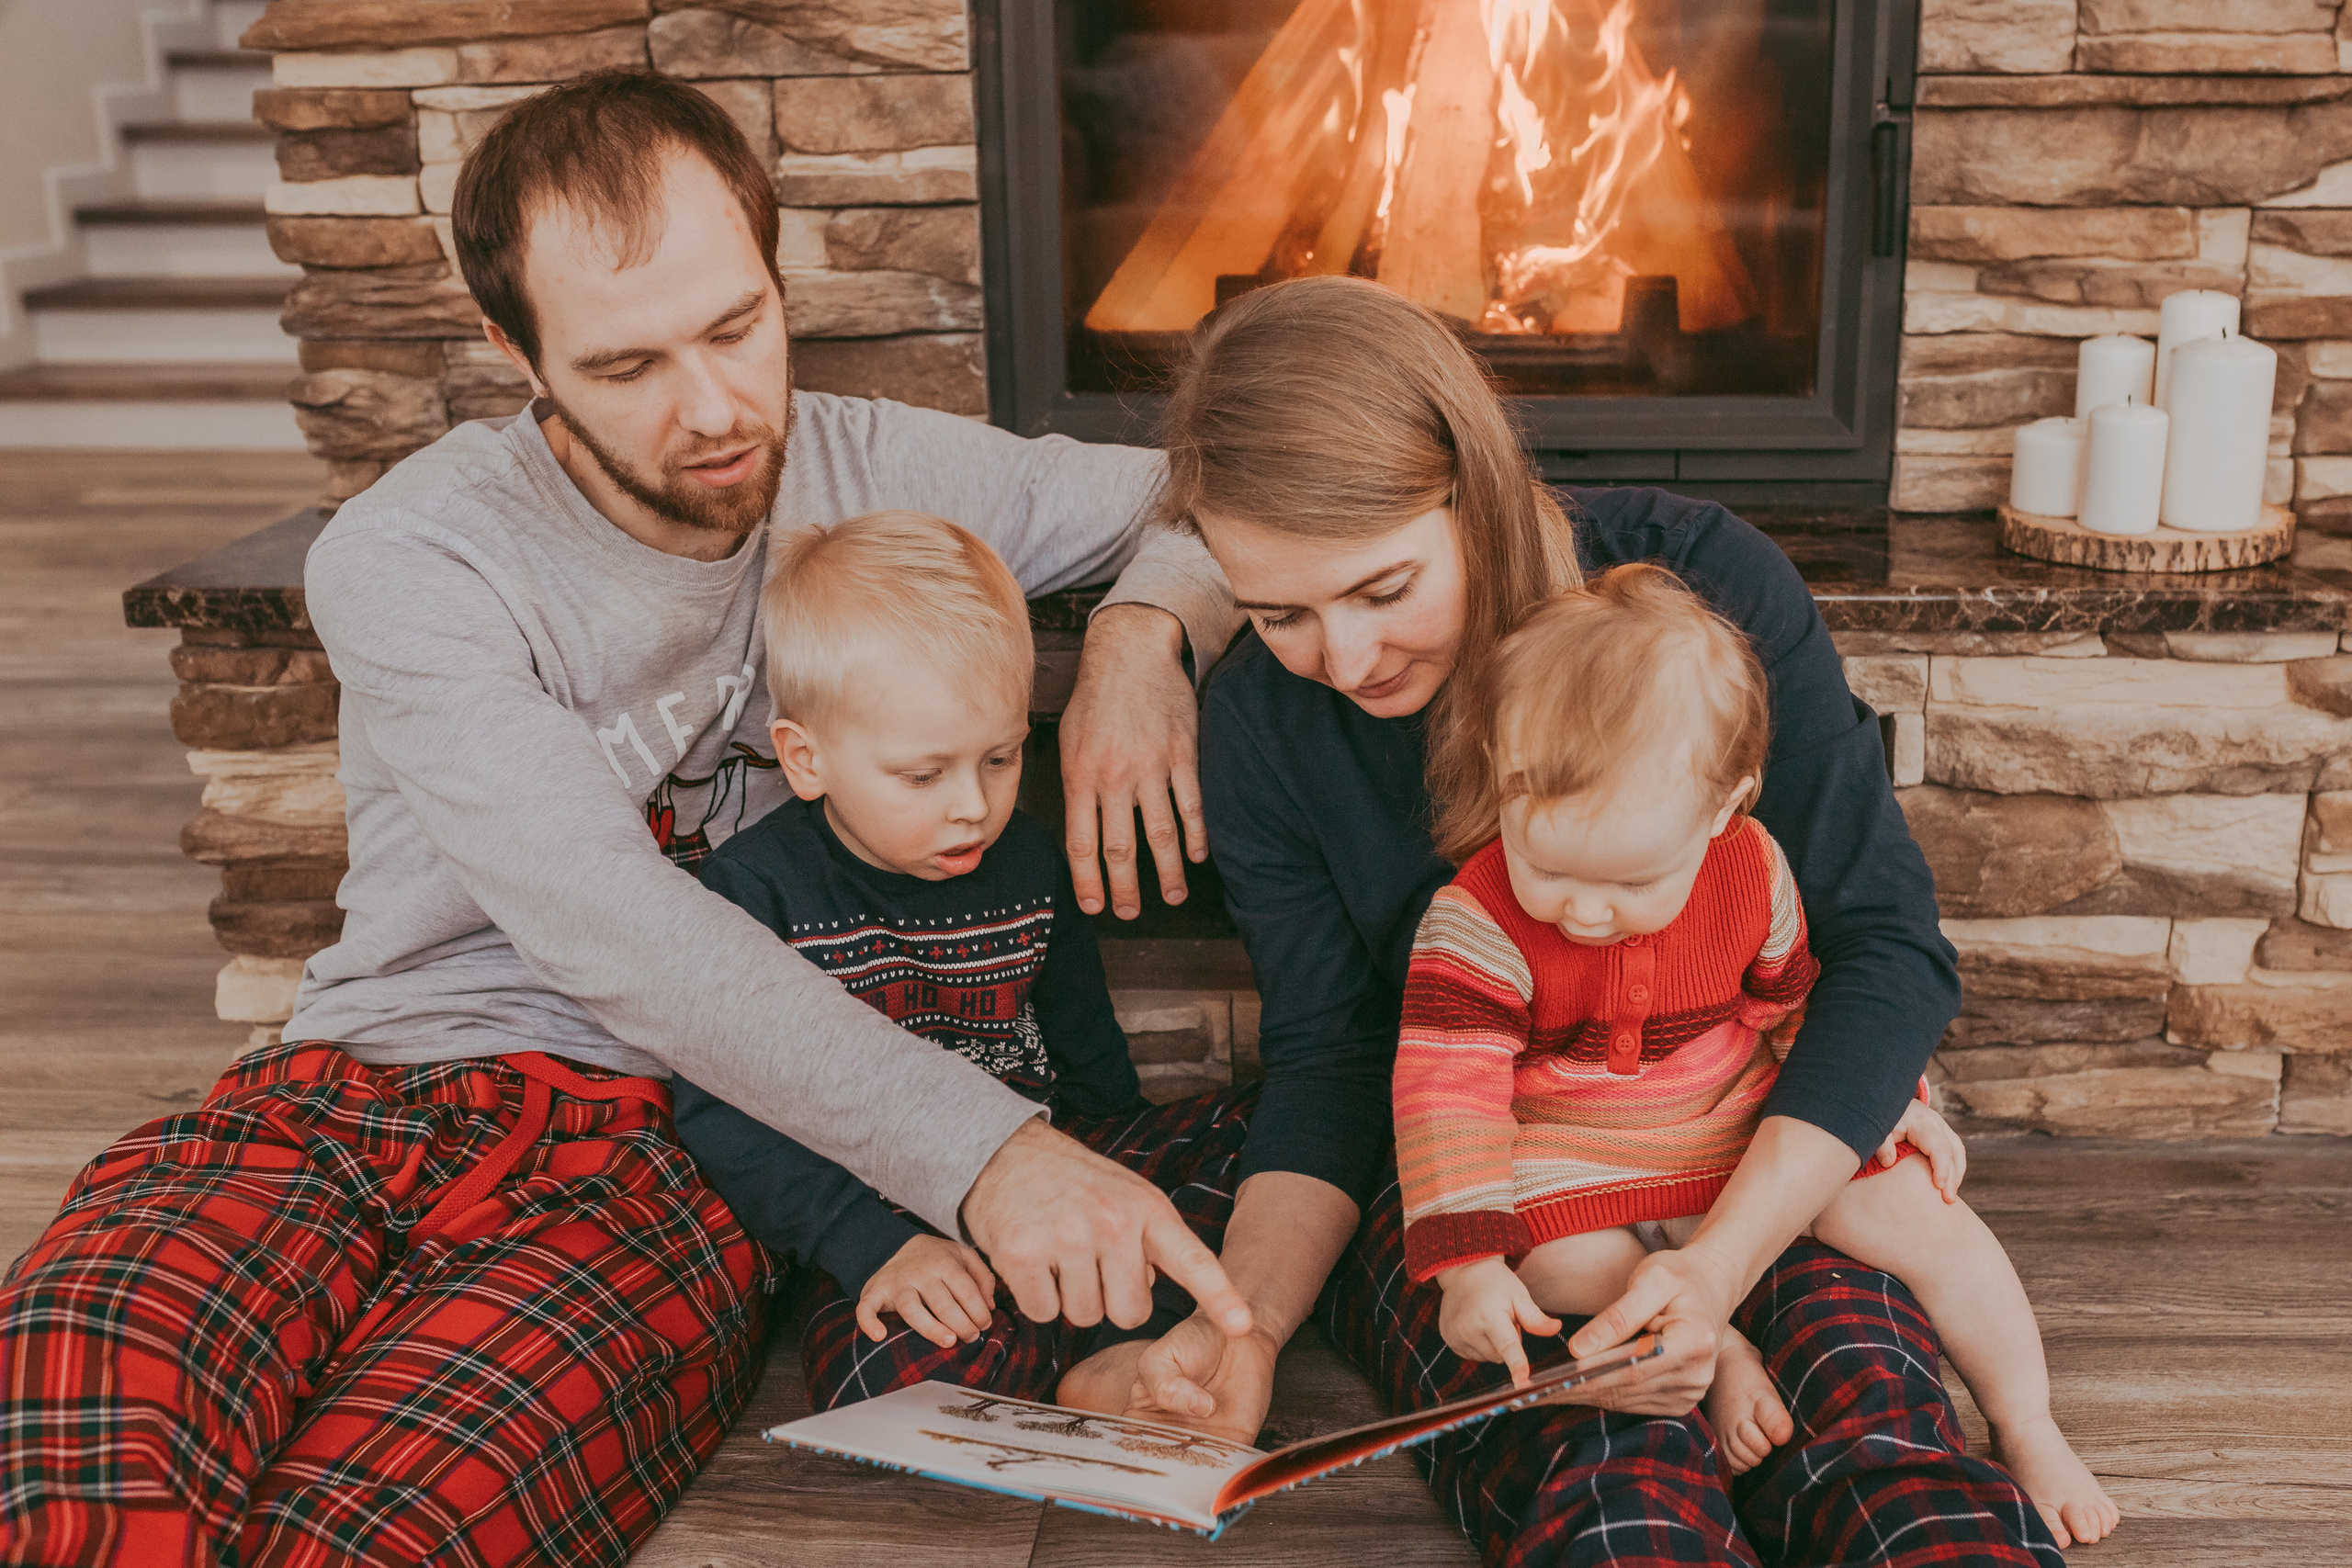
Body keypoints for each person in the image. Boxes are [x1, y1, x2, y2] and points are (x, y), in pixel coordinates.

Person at [0, 73, 1250, 1563]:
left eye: (737, 327)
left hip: (658, 1151)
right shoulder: (415, 554)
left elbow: (1219, 497)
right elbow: (602, 917)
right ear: (512, 350)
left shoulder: (861, 464)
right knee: (70, 1432)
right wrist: (982, 1152)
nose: (716, 409)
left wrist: (1137, 647)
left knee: (380, 1532)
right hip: (354, 1087)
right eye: (629, 363)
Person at [1092, 273, 2073, 1564]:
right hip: (1489, 1178)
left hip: (1746, 1143)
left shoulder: (1698, 596)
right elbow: (1329, 1059)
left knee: (1862, 1393)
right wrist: (1249, 1324)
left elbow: (1882, 946)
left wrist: (1724, 1258)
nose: (1342, 657)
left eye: (1383, 588)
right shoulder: (1267, 731)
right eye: (1279, 613)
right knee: (1602, 1448)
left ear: (1475, 487)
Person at [1397, 563, 2118, 1547]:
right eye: (1549, 866)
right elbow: (1449, 1096)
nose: (1583, 908)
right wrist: (1467, 1267)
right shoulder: (1473, 920)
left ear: (1721, 807)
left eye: (1630, 879)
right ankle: (1719, 1347)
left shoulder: (1752, 868)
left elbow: (1797, 1008)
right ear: (1500, 770)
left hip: (1737, 1126)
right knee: (1561, 1271)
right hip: (1577, 1154)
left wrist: (1886, 1101)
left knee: (1930, 1218)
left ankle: (2027, 1424)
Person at [672, 511, 1257, 1404]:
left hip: (1050, 1156)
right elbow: (724, 1115)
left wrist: (1114, 1165)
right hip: (891, 1220)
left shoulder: (1021, 857)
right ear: (805, 760)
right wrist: (866, 1246)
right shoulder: (756, 895)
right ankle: (1089, 1341)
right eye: (922, 775)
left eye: (1000, 756)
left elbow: (1079, 1032)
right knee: (892, 1376)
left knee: (1273, 1141)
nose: (970, 807)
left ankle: (1104, 1340)